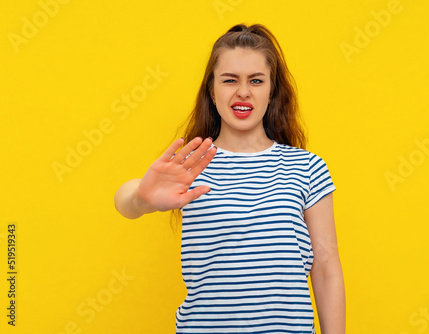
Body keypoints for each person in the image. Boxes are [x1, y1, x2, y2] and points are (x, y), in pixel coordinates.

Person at [114, 23, 345, 334]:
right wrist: (141, 198)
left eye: (256, 80)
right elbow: (126, 202)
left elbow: (327, 266)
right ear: (212, 90)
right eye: (229, 80)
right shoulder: (190, 165)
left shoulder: (305, 167)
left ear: (271, 90)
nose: (243, 91)